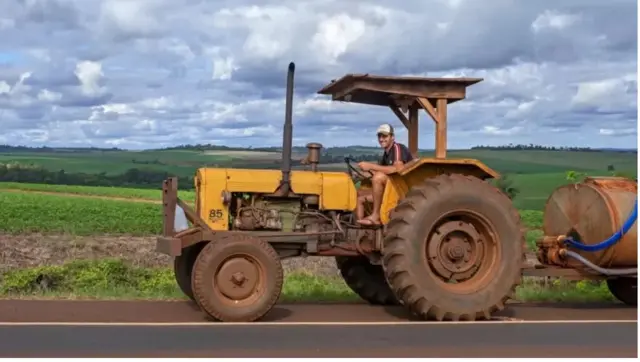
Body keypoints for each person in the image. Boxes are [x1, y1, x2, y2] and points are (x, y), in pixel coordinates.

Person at [356, 123, 415, 226]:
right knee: (360, 197)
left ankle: (376, 216)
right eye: (380, 136)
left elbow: (397, 169)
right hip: (391, 188)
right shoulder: (386, 154)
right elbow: (382, 170)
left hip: (402, 189)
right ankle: (359, 226)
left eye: (385, 136)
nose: (381, 139)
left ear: (392, 137)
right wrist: (363, 173)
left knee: (378, 178)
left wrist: (371, 166)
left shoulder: (397, 148)